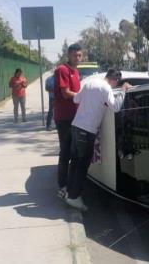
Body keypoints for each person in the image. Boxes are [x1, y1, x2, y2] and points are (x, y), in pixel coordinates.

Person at [65, 69, 131, 210]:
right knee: (82, 165)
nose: (115, 86)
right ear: (115, 80)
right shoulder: (106, 88)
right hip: (87, 131)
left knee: (75, 162)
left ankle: (69, 192)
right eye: (117, 84)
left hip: (76, 126)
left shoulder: (90, 83)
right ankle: (74, 197)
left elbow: (76, 99)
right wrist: (123, 90)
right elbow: (116, 107)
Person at [54, 43, 82, 200]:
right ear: (69, 55)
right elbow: (65, 93)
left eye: (79, 55)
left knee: (74, 152)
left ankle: (69, 183)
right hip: (64, 118)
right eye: (74, 55)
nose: (77, 58)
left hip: (75, 117)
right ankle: (62, 186)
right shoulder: (62, 70)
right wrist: (82, 96)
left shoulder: (76, 71)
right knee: (65, 152)